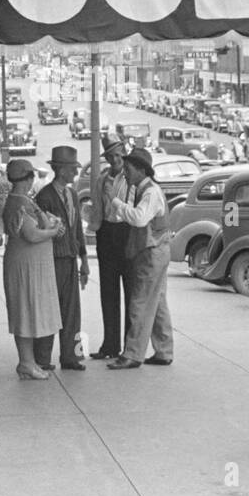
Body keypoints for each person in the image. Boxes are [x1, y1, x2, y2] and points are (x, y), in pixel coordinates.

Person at [106, 148, 174, 369]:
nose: (125, 172)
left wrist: (116, 203)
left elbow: (139, 219)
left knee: (140, 302)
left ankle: (133, 354)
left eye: (128, 169)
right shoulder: (145, 189)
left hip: (151, 252)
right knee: (158, 302)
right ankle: (164, 350)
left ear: (141, 170)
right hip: (156, 250)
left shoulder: (150, 193)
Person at [1, 159, 66, 380]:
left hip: (29, 265)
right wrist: (53, 232)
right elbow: (31, 234)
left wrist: (51, 225)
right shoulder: (18, 203)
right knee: (25, 311)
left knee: (27, 312)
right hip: (25, 267)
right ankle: (26, 362)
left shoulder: (23, 201)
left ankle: (27, 362)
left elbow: (40, 225)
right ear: (27, 178)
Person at [34, 146, 89, 371]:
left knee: (72, 311)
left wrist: (84, 259)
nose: (76, 173)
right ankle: (43, 358)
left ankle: (70, 356)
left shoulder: (72, 194)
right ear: (61, 170)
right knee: (50, 308)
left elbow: (77, 230)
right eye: (73, 168)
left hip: (69, 258)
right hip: (52, 260)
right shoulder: (45, 196)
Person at [87, 133, 131, 360]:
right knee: (108, 292)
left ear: (124, 152)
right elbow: (96, 207)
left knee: (131, 293)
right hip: (107, 233)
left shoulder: (132, 177)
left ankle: (130, 347)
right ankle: (110, 345)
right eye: (111, 156)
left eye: (118, 154)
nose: (115, 160)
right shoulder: (103, 179)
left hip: (127, 232)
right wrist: (95, 230)